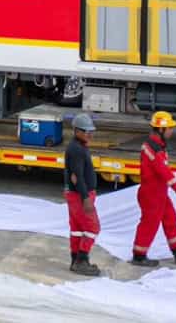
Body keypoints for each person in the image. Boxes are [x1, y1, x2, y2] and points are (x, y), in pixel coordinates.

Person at [131, 111, 176, 266]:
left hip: (159, 193)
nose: (171, 131)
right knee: (149, 224)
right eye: (169, 128)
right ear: (161, 130)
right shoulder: (154, 149)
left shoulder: (156, 146)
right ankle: (139, 256)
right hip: (152, 194)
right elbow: (164, 173)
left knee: (170, 218)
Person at [64, 113, 100, 276]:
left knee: (78, 228)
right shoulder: (77, 150)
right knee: (93, 227)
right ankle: (81, 260)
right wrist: (86, 198)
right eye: (87, 131)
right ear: (77, 131)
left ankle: (75, 259)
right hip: (80, 196)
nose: (90, 134)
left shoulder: (77, 146)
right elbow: (77, 176)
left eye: (91, 131)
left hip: (75, 195)